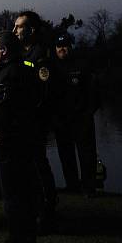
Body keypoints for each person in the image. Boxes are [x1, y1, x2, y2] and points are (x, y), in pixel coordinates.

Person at [0, 31, 40, 243]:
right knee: (27, 192)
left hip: (9, 144)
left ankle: (16, 242)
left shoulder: (8, 75)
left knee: (12, 195)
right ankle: (28, 240)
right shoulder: (28, 71)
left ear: (4, 51)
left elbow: (5, 111)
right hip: (27, 141)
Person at [13, 10, 59, 233]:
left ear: (31, 30)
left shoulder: (41, 56)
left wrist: (34, 116)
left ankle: (47, 210)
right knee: (27, 166)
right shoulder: (21, 54)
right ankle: (35, 207)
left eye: (19, 26)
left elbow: (45, 91)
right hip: (23, 121)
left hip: (35, 121)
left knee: (38, 164)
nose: (14, 31)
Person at [52, 33, 101, 197]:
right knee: (66, 155)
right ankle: (72, 186)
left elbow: (95, 93)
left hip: (82, 119)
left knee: (87, 155)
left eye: (65, 45)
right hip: (61, 121)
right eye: (59, 46)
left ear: (70, 47)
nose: (62, 49)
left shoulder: (83, 66)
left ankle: (89, 188)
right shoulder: (51, 67)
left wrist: (88, 113)